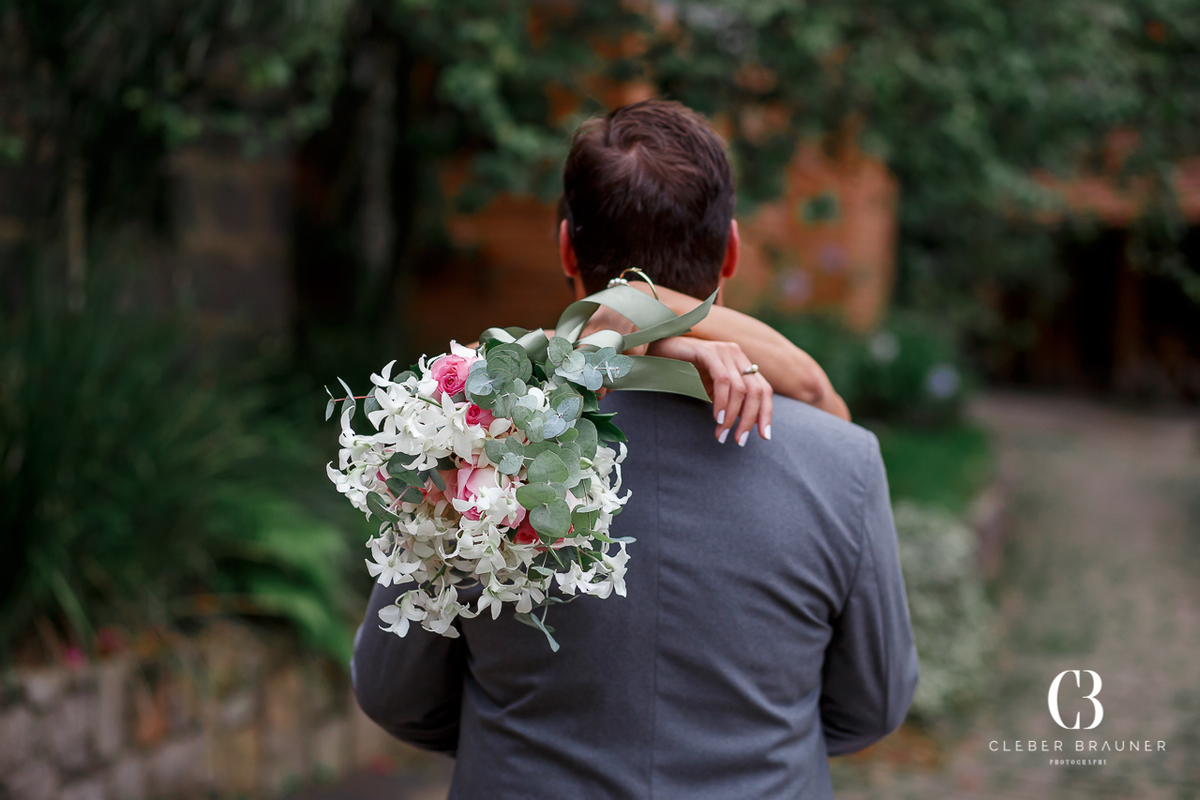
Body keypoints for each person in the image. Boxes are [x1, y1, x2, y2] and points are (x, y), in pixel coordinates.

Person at [351, 99, 918, 799]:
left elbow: (391, 692)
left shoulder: (474, 443)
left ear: (566, 248)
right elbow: (875, 703)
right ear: (732, 250)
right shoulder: (844, 461)